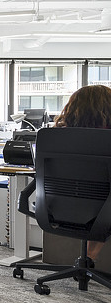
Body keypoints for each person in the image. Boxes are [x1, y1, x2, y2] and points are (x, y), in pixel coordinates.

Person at [51, 85, 111, 258]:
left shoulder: (53, 136)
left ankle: (87, 259)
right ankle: (89, 258)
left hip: (58, 208)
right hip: (103, 211)